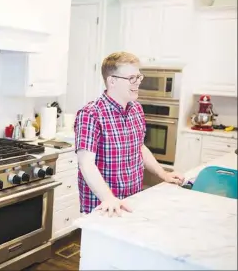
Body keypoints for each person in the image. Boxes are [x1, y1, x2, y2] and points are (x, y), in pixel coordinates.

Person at [74, 52, 184, 217]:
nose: (137, 83)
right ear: (112, 81)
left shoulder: (136, 109)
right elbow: (86, 164)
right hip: (103, 207)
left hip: (132, 200)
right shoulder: (91, 114)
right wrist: (109, 198)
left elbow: (139, 147)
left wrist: (164, 174)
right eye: (132, 78)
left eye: (139, 77)